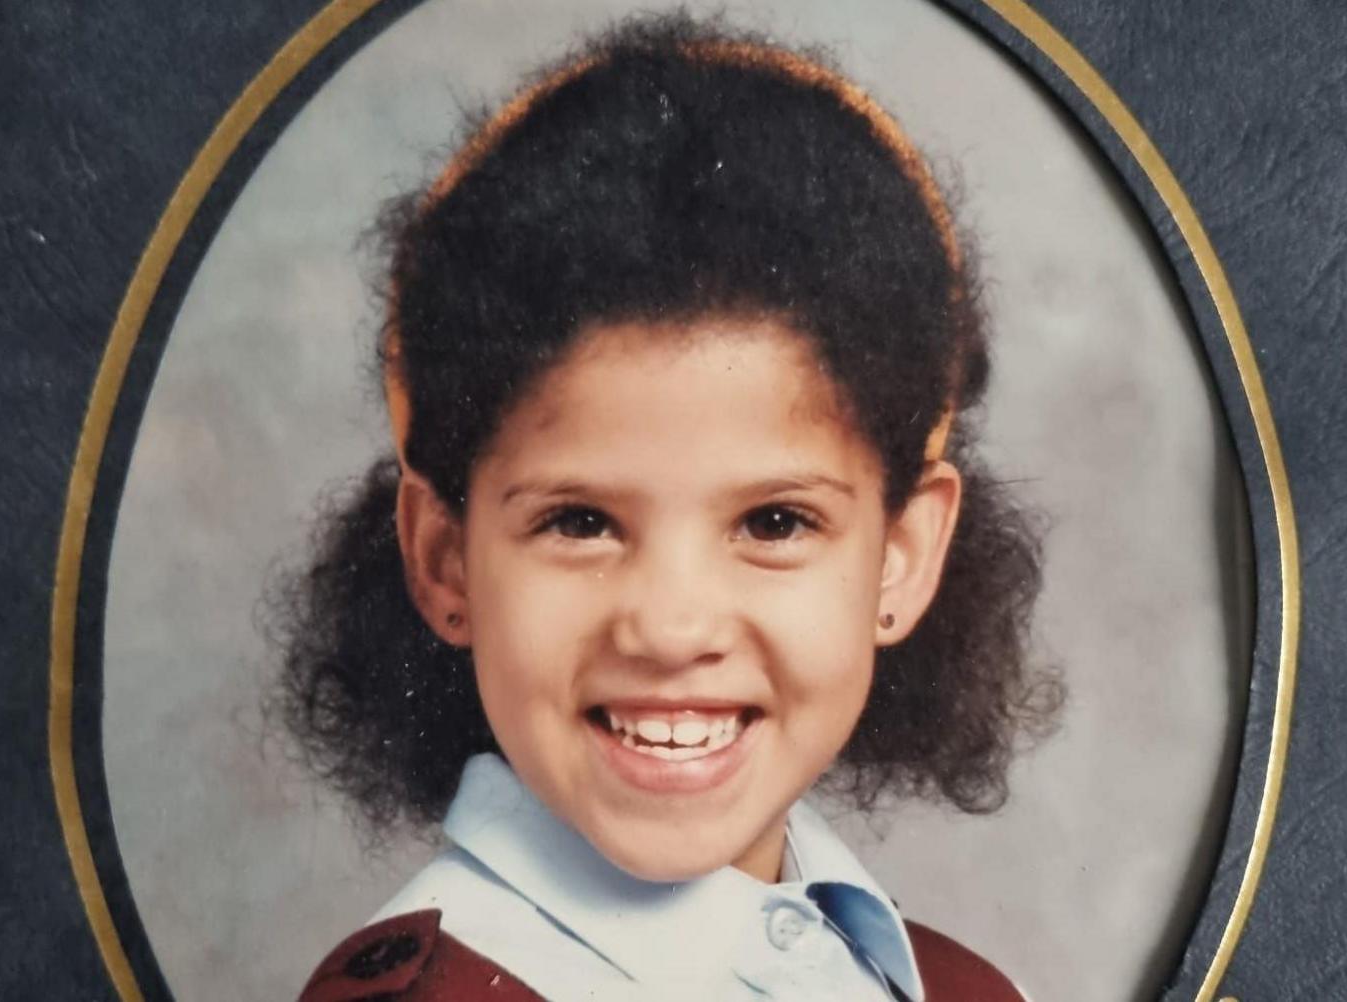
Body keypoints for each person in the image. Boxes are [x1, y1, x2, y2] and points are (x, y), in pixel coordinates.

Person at [270, 12, 1059, 1001]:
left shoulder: (961, 988)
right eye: (579, 521)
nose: (673, 626)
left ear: (901, 557)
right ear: (443, 559)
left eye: (774, 523)